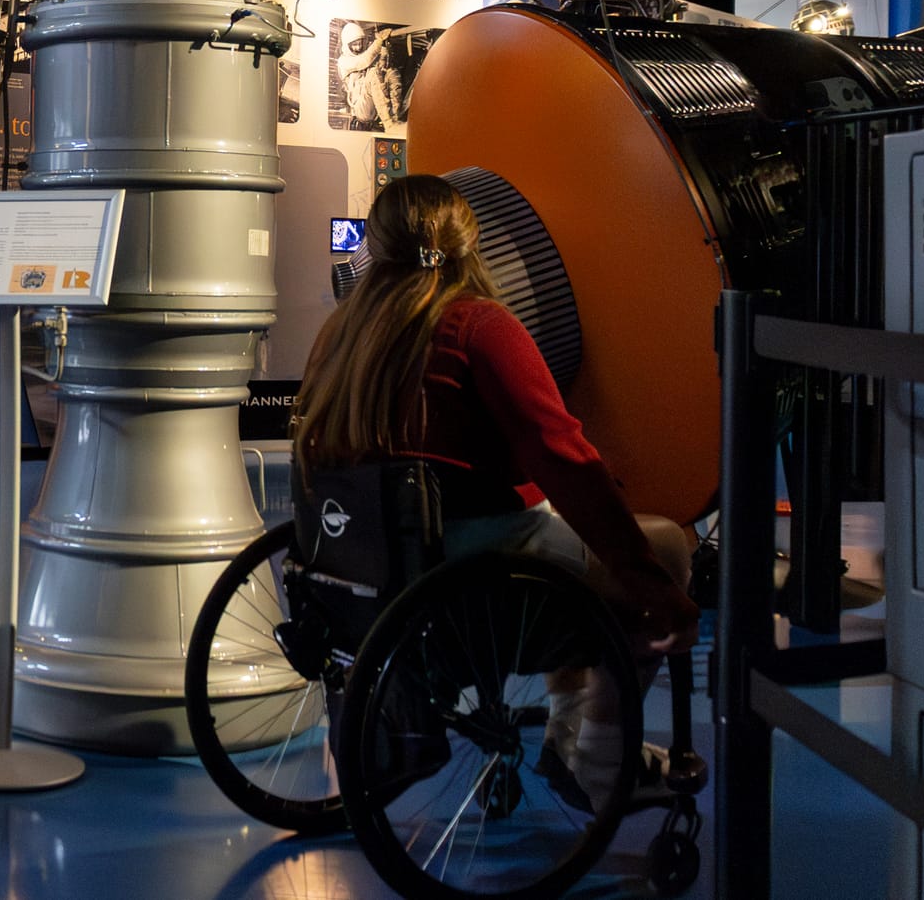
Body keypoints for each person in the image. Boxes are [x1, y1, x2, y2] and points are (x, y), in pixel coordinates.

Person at [295, 173, 699, 809]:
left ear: (377, 245)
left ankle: (570, 736)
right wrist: (651, 583)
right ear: (467, 242)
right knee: (666, 546)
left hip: (375, 584)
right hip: (475, 589)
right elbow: (564, 460)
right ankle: (595, 758)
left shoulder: (339, 338)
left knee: (565, 543)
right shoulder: (479, 327)